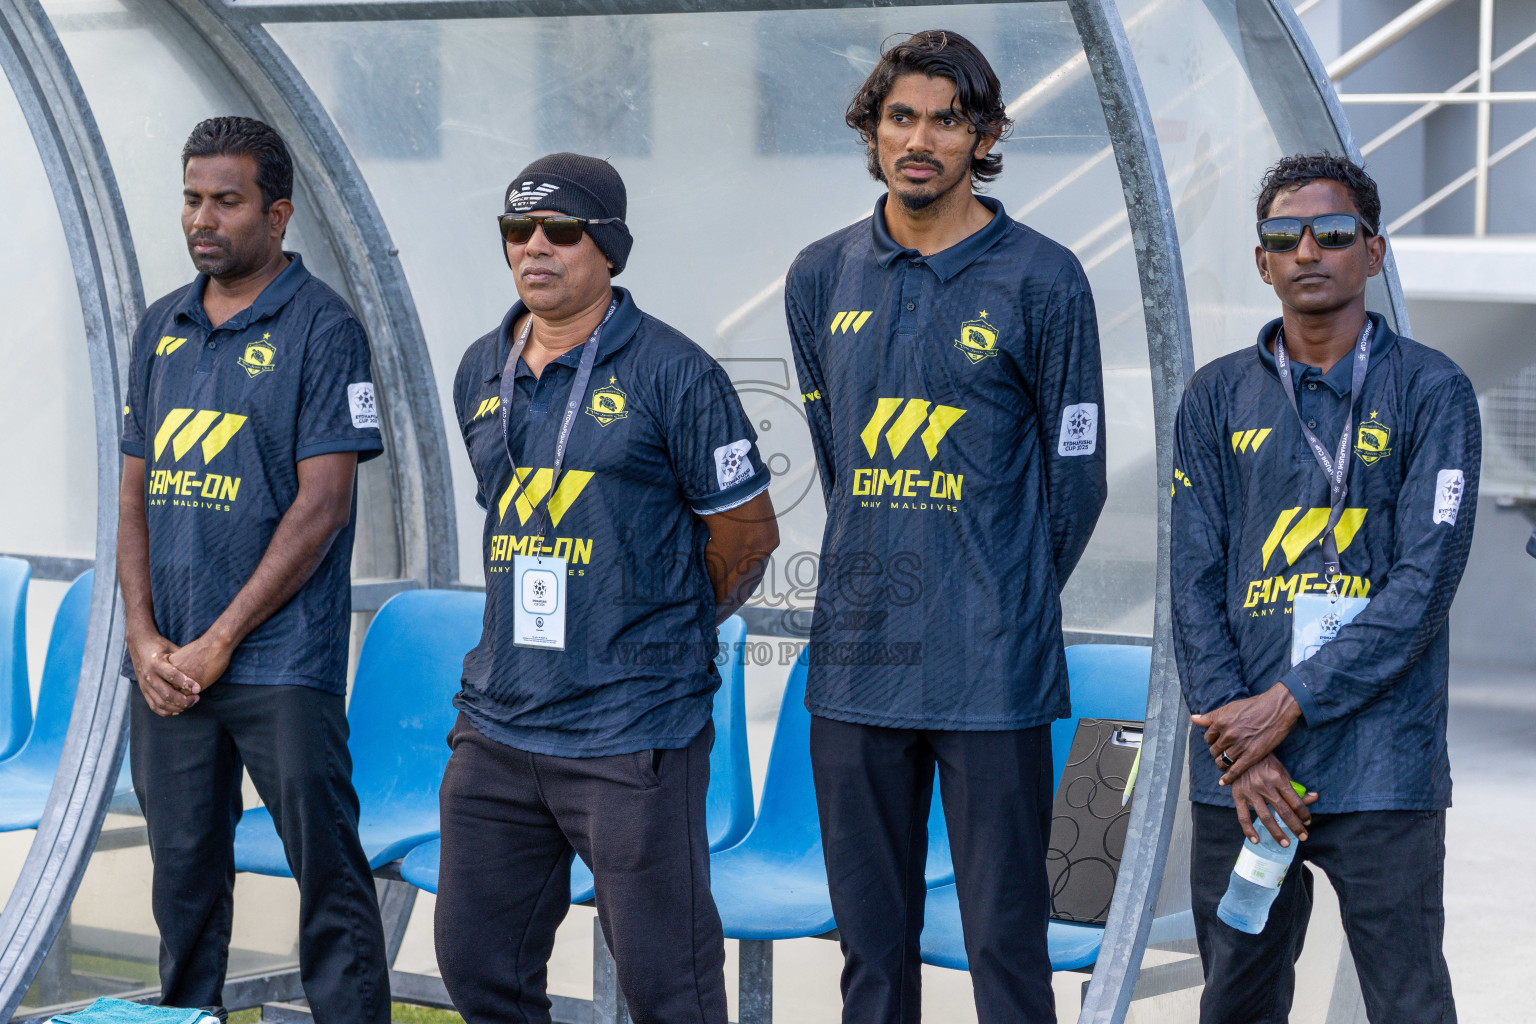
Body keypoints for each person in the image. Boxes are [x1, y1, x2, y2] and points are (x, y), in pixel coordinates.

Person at [785, 31, 1107, 1024]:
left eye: (945, 120)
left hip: (991, 670)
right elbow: (840, 458)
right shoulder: (818, 274)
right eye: (900, 117)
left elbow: (1078, 478)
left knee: (1005, 946)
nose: (918, 141)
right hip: (858, 660)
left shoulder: (1045, 279)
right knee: (870, 953)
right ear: (874, 130)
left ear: (985, 135)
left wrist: (997, 593)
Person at [434, 153, 779, 1024]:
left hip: (633, 731)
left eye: (561, 230)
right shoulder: (482, 366)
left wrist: (653, 626)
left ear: (610, 248)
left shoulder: (675, 372)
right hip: (501, 722)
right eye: (518, 230)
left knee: (670, 988)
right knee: (479, 968)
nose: (535, 248)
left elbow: (746, 535)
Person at [1171, 154, 1477, 1023]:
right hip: (1244, 773)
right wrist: (1247, 736)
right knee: (1236, 1001)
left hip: (1382, 763)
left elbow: (1424, 585)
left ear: (1373, 253)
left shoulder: (1431, 390)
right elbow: (1191, 582)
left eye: (1334, 233)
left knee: (1409, 1003)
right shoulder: (1215, 397)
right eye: (1284, 236)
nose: (1309, 250)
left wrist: (1289, 702)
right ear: (1263, 261)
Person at [118, 116, 390, 1021]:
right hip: (169, 672)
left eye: (226, 201)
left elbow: (322, 507)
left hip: (280, 665)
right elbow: (133, 489)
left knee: (329, 880)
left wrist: (219, 641)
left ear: (277, 214)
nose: (204, 218)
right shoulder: (162, 324)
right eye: (193, 198)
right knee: (183, 886)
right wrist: (146, 638)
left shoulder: (326, 328)